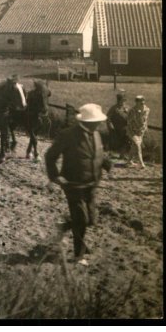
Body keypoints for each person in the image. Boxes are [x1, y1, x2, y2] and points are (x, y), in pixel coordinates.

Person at [45, 103, 112, 266]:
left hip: (92, 183)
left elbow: (97, 153)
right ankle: (78, 255)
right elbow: (50, 156)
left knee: (91, 219)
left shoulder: (96, 133)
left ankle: (65, 225)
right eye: (96, 121)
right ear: (87, 122)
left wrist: (107, 164)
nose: (99, 124)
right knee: (82, 219)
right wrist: (56, 176)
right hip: (73, 184)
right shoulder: (68, 135)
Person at [126, 95, 150, 168]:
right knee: (138, 145)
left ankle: (129, 162)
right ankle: (141, 163)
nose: (142, 103)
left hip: (141, 131)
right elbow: (129, 122)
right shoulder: (132, 110)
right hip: (132, 131)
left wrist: (145, 128)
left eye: (143, 101)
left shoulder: (147, 110)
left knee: (134, 146)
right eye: (140, 102)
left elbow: (144, 121)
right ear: (136, 102)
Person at [106, 91, 129, 158]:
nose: (123, 102)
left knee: (126, 140)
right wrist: (110, 125)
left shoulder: (126, 108)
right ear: (118, 100)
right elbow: (108, 118)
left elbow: (130, 117)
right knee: (116, 141)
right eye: (122, 100)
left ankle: (122, 154)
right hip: (116, 128)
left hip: (125, 128)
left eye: (124, 100)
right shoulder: (114, 108)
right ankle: (110, 153)